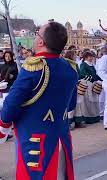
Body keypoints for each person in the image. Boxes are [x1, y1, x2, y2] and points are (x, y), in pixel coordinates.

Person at [0, 21, 78, 179]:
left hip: (36, 144)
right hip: (61, 139)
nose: (35, 38)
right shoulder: (70, 67)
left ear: (41, 42)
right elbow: (70, 105)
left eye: (37, 34)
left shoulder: (34, 67)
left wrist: (3, 126)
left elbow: (11, 103)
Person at [74, 51, 102, 125]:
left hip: (93, 84)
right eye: (90, 57)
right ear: (86, 57)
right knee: (88, 101)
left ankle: (95, 116)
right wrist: (92, 79)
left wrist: (100, 79)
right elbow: (83, 73)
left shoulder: (92, 64)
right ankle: (88, 118)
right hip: (88, 84)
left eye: (92, 56)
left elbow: (95, 74)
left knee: (94, 100)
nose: (91, 58)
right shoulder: (84, 64)